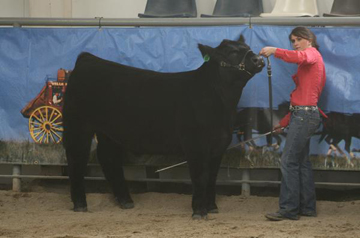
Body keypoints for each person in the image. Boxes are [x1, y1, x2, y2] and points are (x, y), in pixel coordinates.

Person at [259, 26, 326, 221]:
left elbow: (300, 58)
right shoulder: (311, 60)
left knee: (288, 161)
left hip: (305, 116)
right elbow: (302, 99)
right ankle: (307, 207)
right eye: (292, 41)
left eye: (298, 40)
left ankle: (288, 209)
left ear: (309, 40)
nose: (295, 44)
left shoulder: (311, 54)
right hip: (304, 115)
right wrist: (285, 122)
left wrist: (275, 51)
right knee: (301, 162)